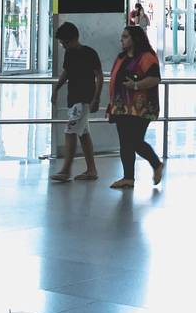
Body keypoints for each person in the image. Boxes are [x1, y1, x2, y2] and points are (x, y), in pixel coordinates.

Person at [105, 26, 164, 190]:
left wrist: (136, 85)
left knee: (135, 141)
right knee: (125, 143)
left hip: (141, 108)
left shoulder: (147, 58)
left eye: (125, 37)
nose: (121, 40)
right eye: (122, 37)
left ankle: (156, 164)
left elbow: (154, 78)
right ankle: (128, 178)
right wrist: (112, 104)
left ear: (135, 39)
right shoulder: (121, 57)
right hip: (121, 107)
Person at [50, 21, 103, 183]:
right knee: (83, 134)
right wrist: (56, 89)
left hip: (83, 99)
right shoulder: (69, 54)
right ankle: (91, 169)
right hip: (74, 99)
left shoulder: (89, 53)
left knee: (70, 131)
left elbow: (99, 76)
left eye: (64, 42)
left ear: (73, 39)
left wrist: (96, 98)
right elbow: (66, 73)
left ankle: (66, 170)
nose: (63, 46)